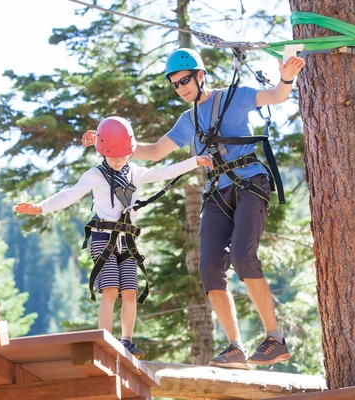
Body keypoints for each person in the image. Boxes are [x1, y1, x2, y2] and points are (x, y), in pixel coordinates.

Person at [82, 49, 305, 369]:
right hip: (216, 190)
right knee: (209, 268)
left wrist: (287, 76)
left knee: (243, 257)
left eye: (184, 80)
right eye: (175, 84)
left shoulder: (234, 97)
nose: (181, 88)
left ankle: (274, 339)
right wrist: (111, 142)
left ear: (201, 76)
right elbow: (155, 152)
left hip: (250, 182)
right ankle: (235, 347)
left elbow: (277, 95)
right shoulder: (188, 121)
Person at [16, 116, 212, 360]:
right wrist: (41, 207)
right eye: (113, 156)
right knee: (109, 290)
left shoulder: (136, 173)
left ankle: (127, 341)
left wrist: (195, 161)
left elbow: (165, 172)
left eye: (123, 155)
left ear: (131, 151)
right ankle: (105, 339)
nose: (118, 160)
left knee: (129, 291)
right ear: (102, 152)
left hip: (127, 239)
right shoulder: (95, 175)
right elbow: (69, 195)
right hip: (102, 237)